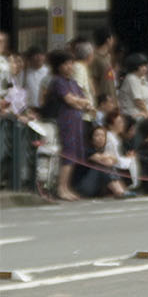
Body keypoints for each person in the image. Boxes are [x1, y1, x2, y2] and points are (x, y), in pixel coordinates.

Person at [42, 49, 92, 200]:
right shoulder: (57, 81)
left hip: (76, 120)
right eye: (66, 64)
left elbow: (85, 102)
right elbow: (69, 100)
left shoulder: (73, 82)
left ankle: (66, 186)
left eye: (71, 63)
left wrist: (79, 102)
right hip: (65, 120)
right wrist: (79, 102)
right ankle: (61, 188)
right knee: (68, 153)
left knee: (74, 153)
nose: (69, 66)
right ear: (58, 66)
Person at [118, 53, 148, 123]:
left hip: (144, 113)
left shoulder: (143, 78)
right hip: (132, 115)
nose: (145, 68)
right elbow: (138, 101)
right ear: (135, 67)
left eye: (145, 65)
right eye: (141, 66)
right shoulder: (131, 78)